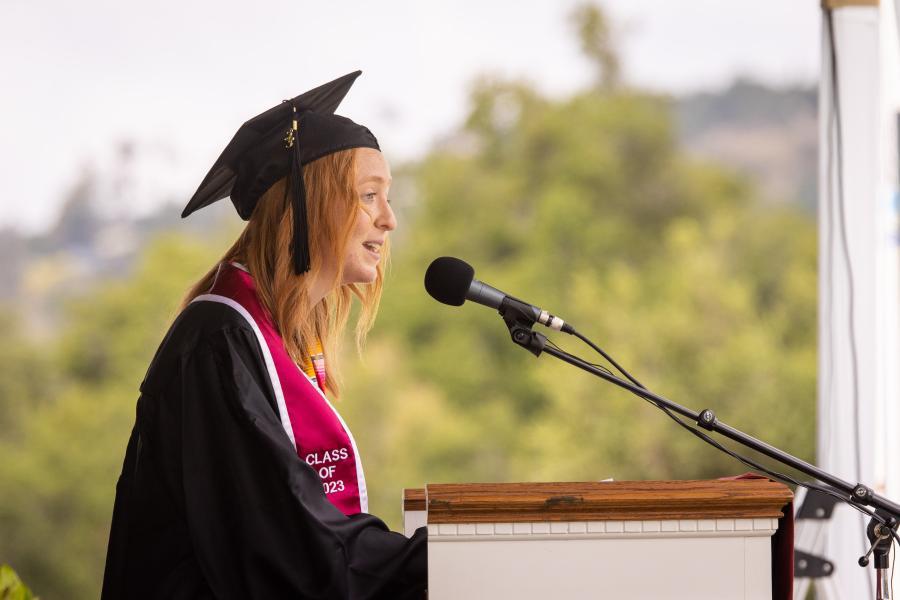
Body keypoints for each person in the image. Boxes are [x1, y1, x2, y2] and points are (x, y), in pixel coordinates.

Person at [101, 71, 427, 599]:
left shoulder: (273, 342)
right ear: (309, 202)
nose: (389, 220)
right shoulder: (219, 340)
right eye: (369, 196)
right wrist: (450, 560)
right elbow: (294, 549)